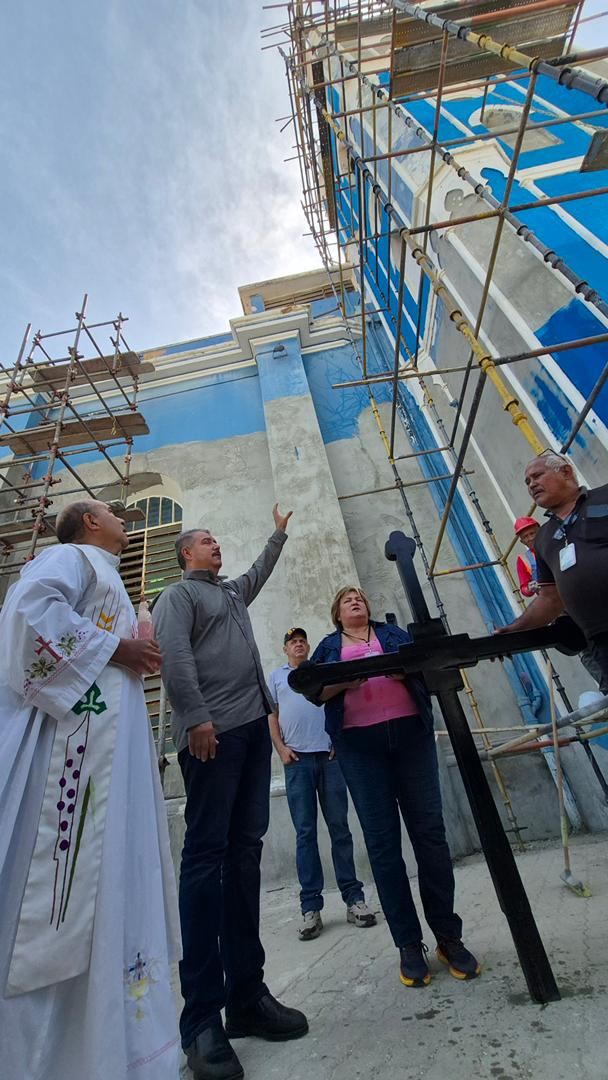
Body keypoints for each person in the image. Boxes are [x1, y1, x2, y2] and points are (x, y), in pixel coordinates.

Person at [0, 500, 181, 1080]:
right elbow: (28, 614)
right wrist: (118, 648)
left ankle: (119, 1044)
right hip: (74, 761)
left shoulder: (108, 577)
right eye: (115, 513)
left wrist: (136, 644)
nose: (125, 519)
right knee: (66, 898)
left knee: (117, 890)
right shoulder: (68, 555)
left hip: (116, 755)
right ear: (90, 523)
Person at [152, 506, 308, 1080]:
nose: (216, 547)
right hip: (211, 736)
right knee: (206, 860)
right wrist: (195, 717)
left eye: (218, 541)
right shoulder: (178, 597)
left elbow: (260, 571)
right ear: (186, 553)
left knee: (244, 856)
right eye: (207, 541)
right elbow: (174, 656)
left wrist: (278, 532)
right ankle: (200, 1020)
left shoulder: (232, 595)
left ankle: (247, 996)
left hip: (248, 730)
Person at [309, 587, 480, 989]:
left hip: (411, 740)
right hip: (360, 749)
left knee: (430, 836)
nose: (356, 601)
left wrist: (403, 669)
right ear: (337, 613)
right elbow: (315, 690)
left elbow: (424, 666)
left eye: (360, 597)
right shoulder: (329, 646)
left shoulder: (393, 634)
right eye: (347, 599)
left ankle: (447, 936)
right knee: (384, 846)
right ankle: (408, 942)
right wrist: (343, 681)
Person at [267, 627, 376, 941]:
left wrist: (337, 740)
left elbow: (336, 704)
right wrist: (281, 748)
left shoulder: (321, 672)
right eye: (292, 641)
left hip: (329, 759)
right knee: (305, 833)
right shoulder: (276, 677)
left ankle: (354, 899)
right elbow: (271, 715)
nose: (298, 644)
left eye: (302, 640)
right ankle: (310, 908)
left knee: (340, 827)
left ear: (308, 646)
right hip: (297, 762)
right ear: (286, 649)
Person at [498, 453, 608, 692]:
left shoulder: (604, 496)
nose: (531, 484)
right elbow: (550, 599)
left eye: (537, 475)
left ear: (566, 472)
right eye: (527, 482)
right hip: (601, 639)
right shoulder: (545, 539)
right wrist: (515, 629)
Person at [514, 516, 540, 598]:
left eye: (532, 533)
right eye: (525, 537)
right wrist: (529, 588)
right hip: (553, 601)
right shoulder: (523, 560)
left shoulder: (554, 542)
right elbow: (524, 588)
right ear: (522, 542)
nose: (530, 538)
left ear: (540, 531)